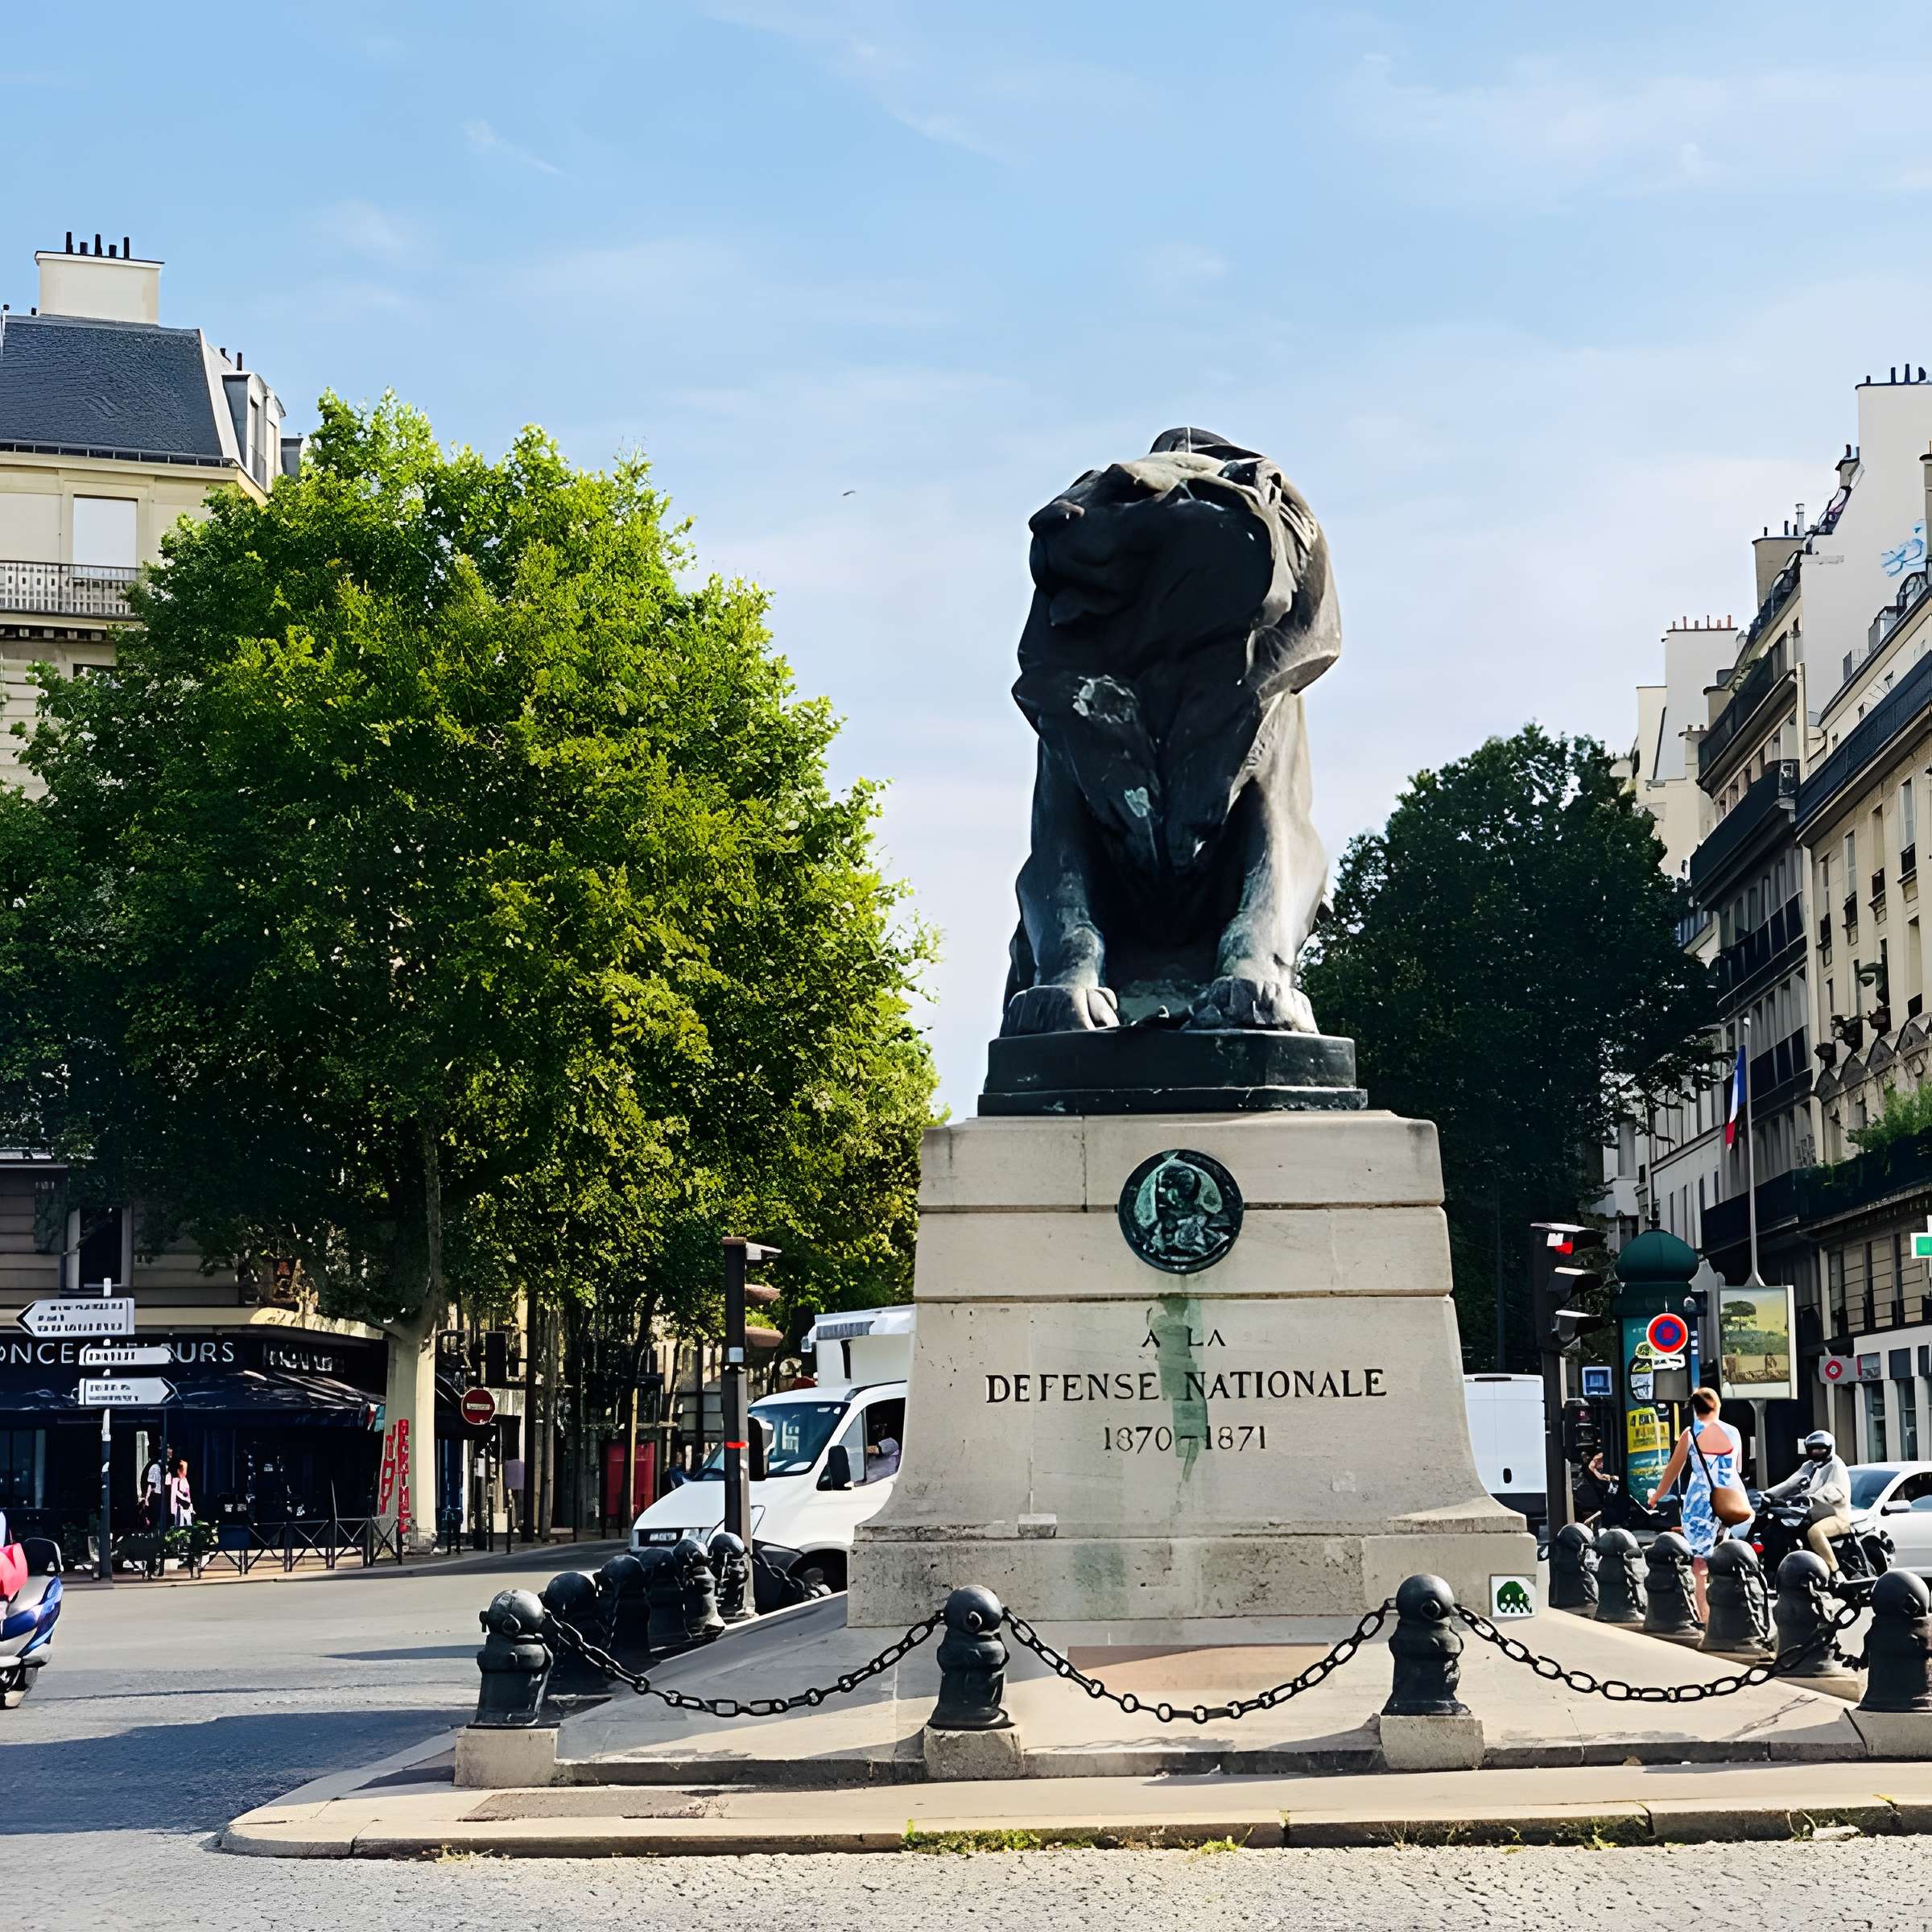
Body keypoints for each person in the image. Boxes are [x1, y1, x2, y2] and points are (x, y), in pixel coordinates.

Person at [1647, 1388, 1749, 1619]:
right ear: (1718, 1406)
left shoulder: (1691, 1433)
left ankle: (1706, 1615)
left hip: (1701, 1501)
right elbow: (1739, 1468)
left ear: (1695, 1409)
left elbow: (1673, 1471)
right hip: (1731, 1498)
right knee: (1725, 1552)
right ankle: (1729, 1608)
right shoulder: (1733, 1432)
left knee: (1701, 1562)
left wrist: (1655, 1497)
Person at [1762, 1429, 1853, 1573]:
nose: (1816, 1453)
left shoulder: (1836, 1466)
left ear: (1830, 1449)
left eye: (1821, 1449)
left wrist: (1811, 1498)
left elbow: (1836, 1491)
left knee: (1815, 1533)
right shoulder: (1810, 1466)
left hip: (1835, 1515)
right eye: (1813, 1450)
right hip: (1811, 1515)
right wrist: (1769, 1495)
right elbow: (1790, 1483)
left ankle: (1834, 1571)